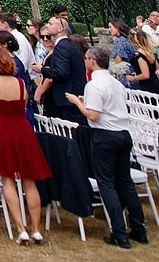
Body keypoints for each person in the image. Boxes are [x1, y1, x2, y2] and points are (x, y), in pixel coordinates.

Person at [69, 45, 148, 248]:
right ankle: (139, 227)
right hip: (122, 133)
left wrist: (78, 103)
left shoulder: (94, 85)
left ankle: (119, 231)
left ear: (93, 61)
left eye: (86, 58)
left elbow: (93, 115)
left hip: (105, 135)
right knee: (125, 181)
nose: (85, 60)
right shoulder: (115, 83)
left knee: (107, 183)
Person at [0, 42, 49, 245]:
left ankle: (21, 228)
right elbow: (24, 103)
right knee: (29, 179)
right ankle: (36, 228)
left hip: (0, 127)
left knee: (8, 179)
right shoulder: (20, 83)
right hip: (22, 128)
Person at [37, 18, 86, 127]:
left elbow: (61, 72)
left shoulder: (61, 46)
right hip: (72, 97)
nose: (47, 25)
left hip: (68, 99)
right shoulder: (68, 45)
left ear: (60, 28)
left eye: (50, 23)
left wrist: (42, 69)